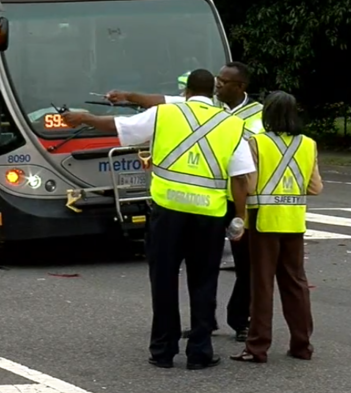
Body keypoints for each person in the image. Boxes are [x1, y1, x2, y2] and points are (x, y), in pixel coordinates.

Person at [63, 69, 255, 369]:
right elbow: (241, 179)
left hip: (168, 214)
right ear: (213, 91)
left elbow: (118, 125)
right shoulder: (232, 124)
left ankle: (163, 350)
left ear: (187, 91)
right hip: (209, 216)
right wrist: (240, 219)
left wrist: (84, 118)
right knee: (204, 282)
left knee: (163, 280)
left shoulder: (164, 114)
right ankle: (200, 352)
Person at [106, 61, 264, 342]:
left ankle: (240, 319)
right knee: (204, 269)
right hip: (210, 199)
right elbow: (161, 101)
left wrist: (242, 210)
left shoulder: (256, 115)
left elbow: (252, 161)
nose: (219, 84)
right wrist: (128, 96)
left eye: (225, 81)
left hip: (234, 196)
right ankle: (205, 323)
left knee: (244, 263)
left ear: (240, 87)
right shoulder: (207, 103)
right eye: (217, 79)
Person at [230, 90, 323, 364]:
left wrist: (240, 217)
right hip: (294, 220)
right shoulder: (308, 144)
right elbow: (315, 187)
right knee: (296, 283)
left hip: (263, 220)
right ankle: (302, 344)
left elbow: (249, 184)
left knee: (262, 284)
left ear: (266, 114)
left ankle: (257, 347)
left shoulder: (256, 143)